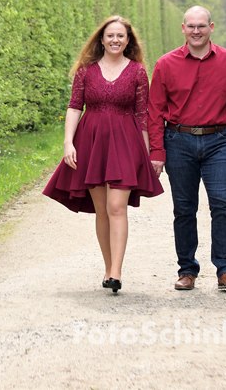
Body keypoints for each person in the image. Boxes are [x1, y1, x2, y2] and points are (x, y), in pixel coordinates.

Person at [43, 16, 164, 293]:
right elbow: (75, 107)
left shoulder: (137, 72)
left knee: (116, 207)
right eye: (110, 35)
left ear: (128, 41)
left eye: (121, 36)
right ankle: (108, 268)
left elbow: (142, 115)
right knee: (102, 211)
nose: (115, 40)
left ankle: (117, 272)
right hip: (92, 142)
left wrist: (146, 152)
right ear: (101, 39)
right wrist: (68, 143)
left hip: (125, 143)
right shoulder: (86, 70)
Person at [147, 6, 226, 291]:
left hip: (219, 141)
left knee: (222, 204)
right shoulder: (165, 64)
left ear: (211, 27)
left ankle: (225, 270)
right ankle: (187, 270)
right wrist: (156, 152)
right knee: (184, 208)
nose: (196, 31)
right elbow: (154, 110)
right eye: (191, 26)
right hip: (178, 141)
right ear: (183, 28)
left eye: (201, 26)